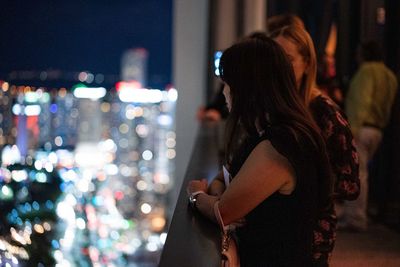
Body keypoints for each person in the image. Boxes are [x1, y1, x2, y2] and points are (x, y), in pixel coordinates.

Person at [187, 37, 334, 266]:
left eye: (228, 83)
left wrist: (196, 195)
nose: (224, 91)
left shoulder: (281, 145)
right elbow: (223, 180)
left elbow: (224, 212)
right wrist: (222, 196)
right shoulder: (265, 133)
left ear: (249, 86)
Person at [270, 25, 360, 265]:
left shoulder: (325, 112)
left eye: (287, 59)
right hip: (279, 226)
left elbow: (350, 183)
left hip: (310, 227)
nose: (279, 66)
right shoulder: (278, 109)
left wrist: (306, 189)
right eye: (275, 58)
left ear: (308, 63)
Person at [343, 40, 398, 231]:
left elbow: (361, 102)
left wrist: (352, 130)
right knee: (363, 172)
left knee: (358, 174)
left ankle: (356, 218)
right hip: (378, 129)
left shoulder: (366, 71)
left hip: (362, 128)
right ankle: (358, 215)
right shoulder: (390, 75)